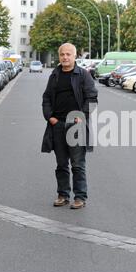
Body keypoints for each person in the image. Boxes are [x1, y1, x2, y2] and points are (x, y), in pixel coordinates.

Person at [42, 43, 98, 210]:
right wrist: (50, 117)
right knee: (61, 165)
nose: (65, 57)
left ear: (75, 57)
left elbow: (93, 99)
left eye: (68, 54)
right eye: (62, 54)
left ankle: (80, 197)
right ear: (59, 56)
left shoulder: (83, 75)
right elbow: (46, 98)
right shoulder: (55, 75)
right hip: (57, 125)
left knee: (77, 164)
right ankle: (63, 195)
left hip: (76, 126)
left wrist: (82, 117)